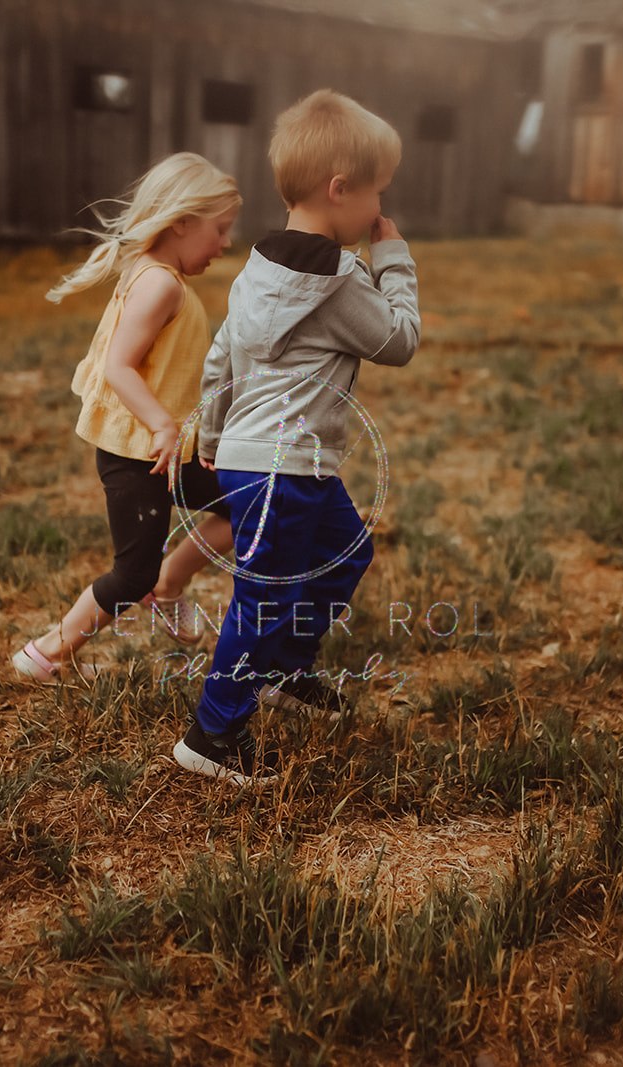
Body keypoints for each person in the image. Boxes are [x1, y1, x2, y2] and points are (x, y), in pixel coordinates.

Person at [173, 90, 420, 784]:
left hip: (271, 463)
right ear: (339, 189)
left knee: (347, 548)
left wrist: (214, 436)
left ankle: (281, 670)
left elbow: (223, 355)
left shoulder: (260, 267)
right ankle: (212, 735)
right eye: (377, 194)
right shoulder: (339, 279)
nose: (379, 209)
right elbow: (399, 339)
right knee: (266, 596)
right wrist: (393, 259)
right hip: (284, 467)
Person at [12, 153, 241, 682]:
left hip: (168, 450)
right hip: (140, 454)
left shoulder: (156, 275)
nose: (226, 244)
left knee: (243, 501)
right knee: (130, 569)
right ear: (181, 221)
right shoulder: (160, 284)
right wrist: (163, 423)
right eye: (221, 230)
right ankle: (47, 652)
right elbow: (119, 365)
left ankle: (170, 583)